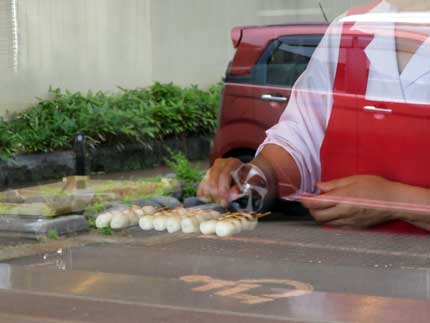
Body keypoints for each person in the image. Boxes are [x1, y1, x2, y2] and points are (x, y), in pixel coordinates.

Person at [198, 0, 430, 233]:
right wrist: (257, 176)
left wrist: (396, 201)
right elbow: (302, 137)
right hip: (344, 260)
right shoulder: (350, 32)